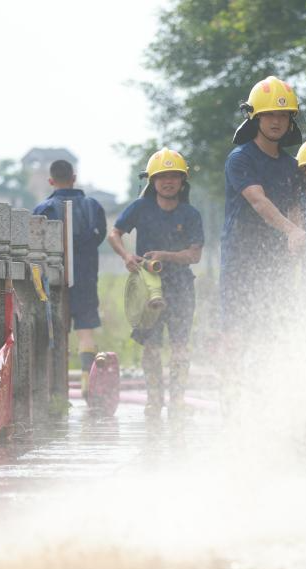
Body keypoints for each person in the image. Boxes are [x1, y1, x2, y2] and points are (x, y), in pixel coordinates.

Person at [108, 148, 204, 418]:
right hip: (147, 289)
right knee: (150, 346)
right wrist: (127, 255)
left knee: (180, 345)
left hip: (181, 287)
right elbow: (114, 233)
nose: (168, 181)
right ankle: (154, 400)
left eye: (174, 175)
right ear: (152, 181)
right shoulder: (140, 208)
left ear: (183, 181)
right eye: (162, 176)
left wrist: (165, 256)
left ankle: (177, 400)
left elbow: (194, 255)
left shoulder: (191, 214)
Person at [221, 75, 306, 351]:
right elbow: (259, 202)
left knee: (273, 329)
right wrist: (292, 231)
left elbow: (295, 208)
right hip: (241, 256)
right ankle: (232, 393)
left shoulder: (292, 165)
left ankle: (268, 391)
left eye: (283, 115)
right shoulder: (241, 158)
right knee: (236, 331)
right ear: (254, 118)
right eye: (269, 114)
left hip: (275, 258)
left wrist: (298, 240)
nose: (276, 121)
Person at [32, 159, 106, 396]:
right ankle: (87, 381)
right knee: (86, 332)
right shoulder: (93, 206)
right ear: (74, 177)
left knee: (57, 330)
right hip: (85, 278)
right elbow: (99, 236)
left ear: (51, 181)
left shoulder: (43, 209)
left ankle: (57, 390)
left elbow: (34, 244)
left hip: (53, 281)